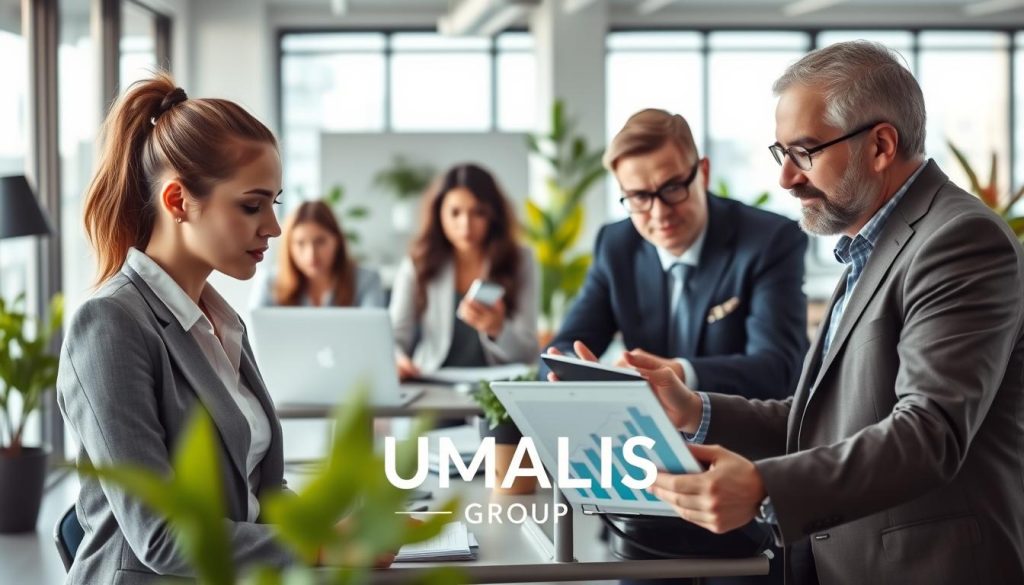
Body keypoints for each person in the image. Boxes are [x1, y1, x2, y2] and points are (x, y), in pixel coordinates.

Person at [629, 41, 1024, 585]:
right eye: (781, 153)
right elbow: (826, 419)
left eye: (805, 152)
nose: (786, 178)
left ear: (881, 145)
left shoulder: (958, 238)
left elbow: (928, 433)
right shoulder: (871, 241)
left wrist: (766, 488)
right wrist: (694, 408)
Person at [56, 74, 388, 583]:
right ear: (177, 202)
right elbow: (161, 537)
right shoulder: (110, 324)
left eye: (273, 204)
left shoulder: (219, 322)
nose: (274, 228)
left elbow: (256, 496)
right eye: (251, 205)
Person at [544, 108, 807, 584]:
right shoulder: (616, 244)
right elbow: (569, 342)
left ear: (702, 172)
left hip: (742, 489)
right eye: (639, 198)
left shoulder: (769, 240)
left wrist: (680, 375)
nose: (659, 212)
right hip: (647, 492)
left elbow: (781, 367)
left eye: (672, 188)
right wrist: (568, 371)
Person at [389, 163, 538, 380]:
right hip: (432, 383)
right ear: (438, 213)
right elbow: (394, 336)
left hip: (496, 387)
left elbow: (527, 353)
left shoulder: (519, 260)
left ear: (493, 215)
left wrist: (498, 330)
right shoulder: (418, 262)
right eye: (455, 212)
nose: (465, 225)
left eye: (478, 212)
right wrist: (399, 360)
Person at [250, 200, 384, 308]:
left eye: (320, 241)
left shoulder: (367, 281)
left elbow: (373, 339)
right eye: (300, 243)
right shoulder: (269, 283)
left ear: (337, 240)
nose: (311, 254)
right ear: (289, 246)